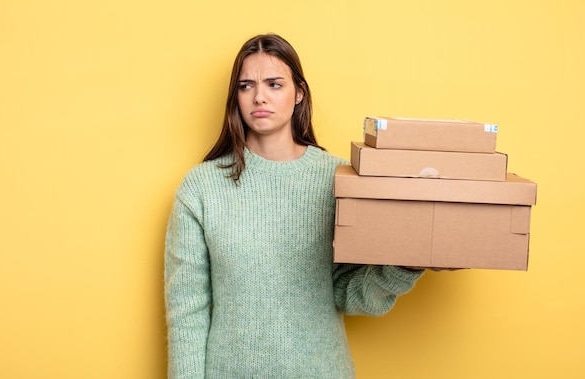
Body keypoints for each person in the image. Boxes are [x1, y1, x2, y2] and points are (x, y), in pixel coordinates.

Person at [164, 33, 425, 378]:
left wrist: (407, 266)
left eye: (274, 84)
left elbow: (348, 292)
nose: (259, 97)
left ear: (298, 92)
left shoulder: (339, 180)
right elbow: (187, 311)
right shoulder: (201, 188)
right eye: (246, 86)